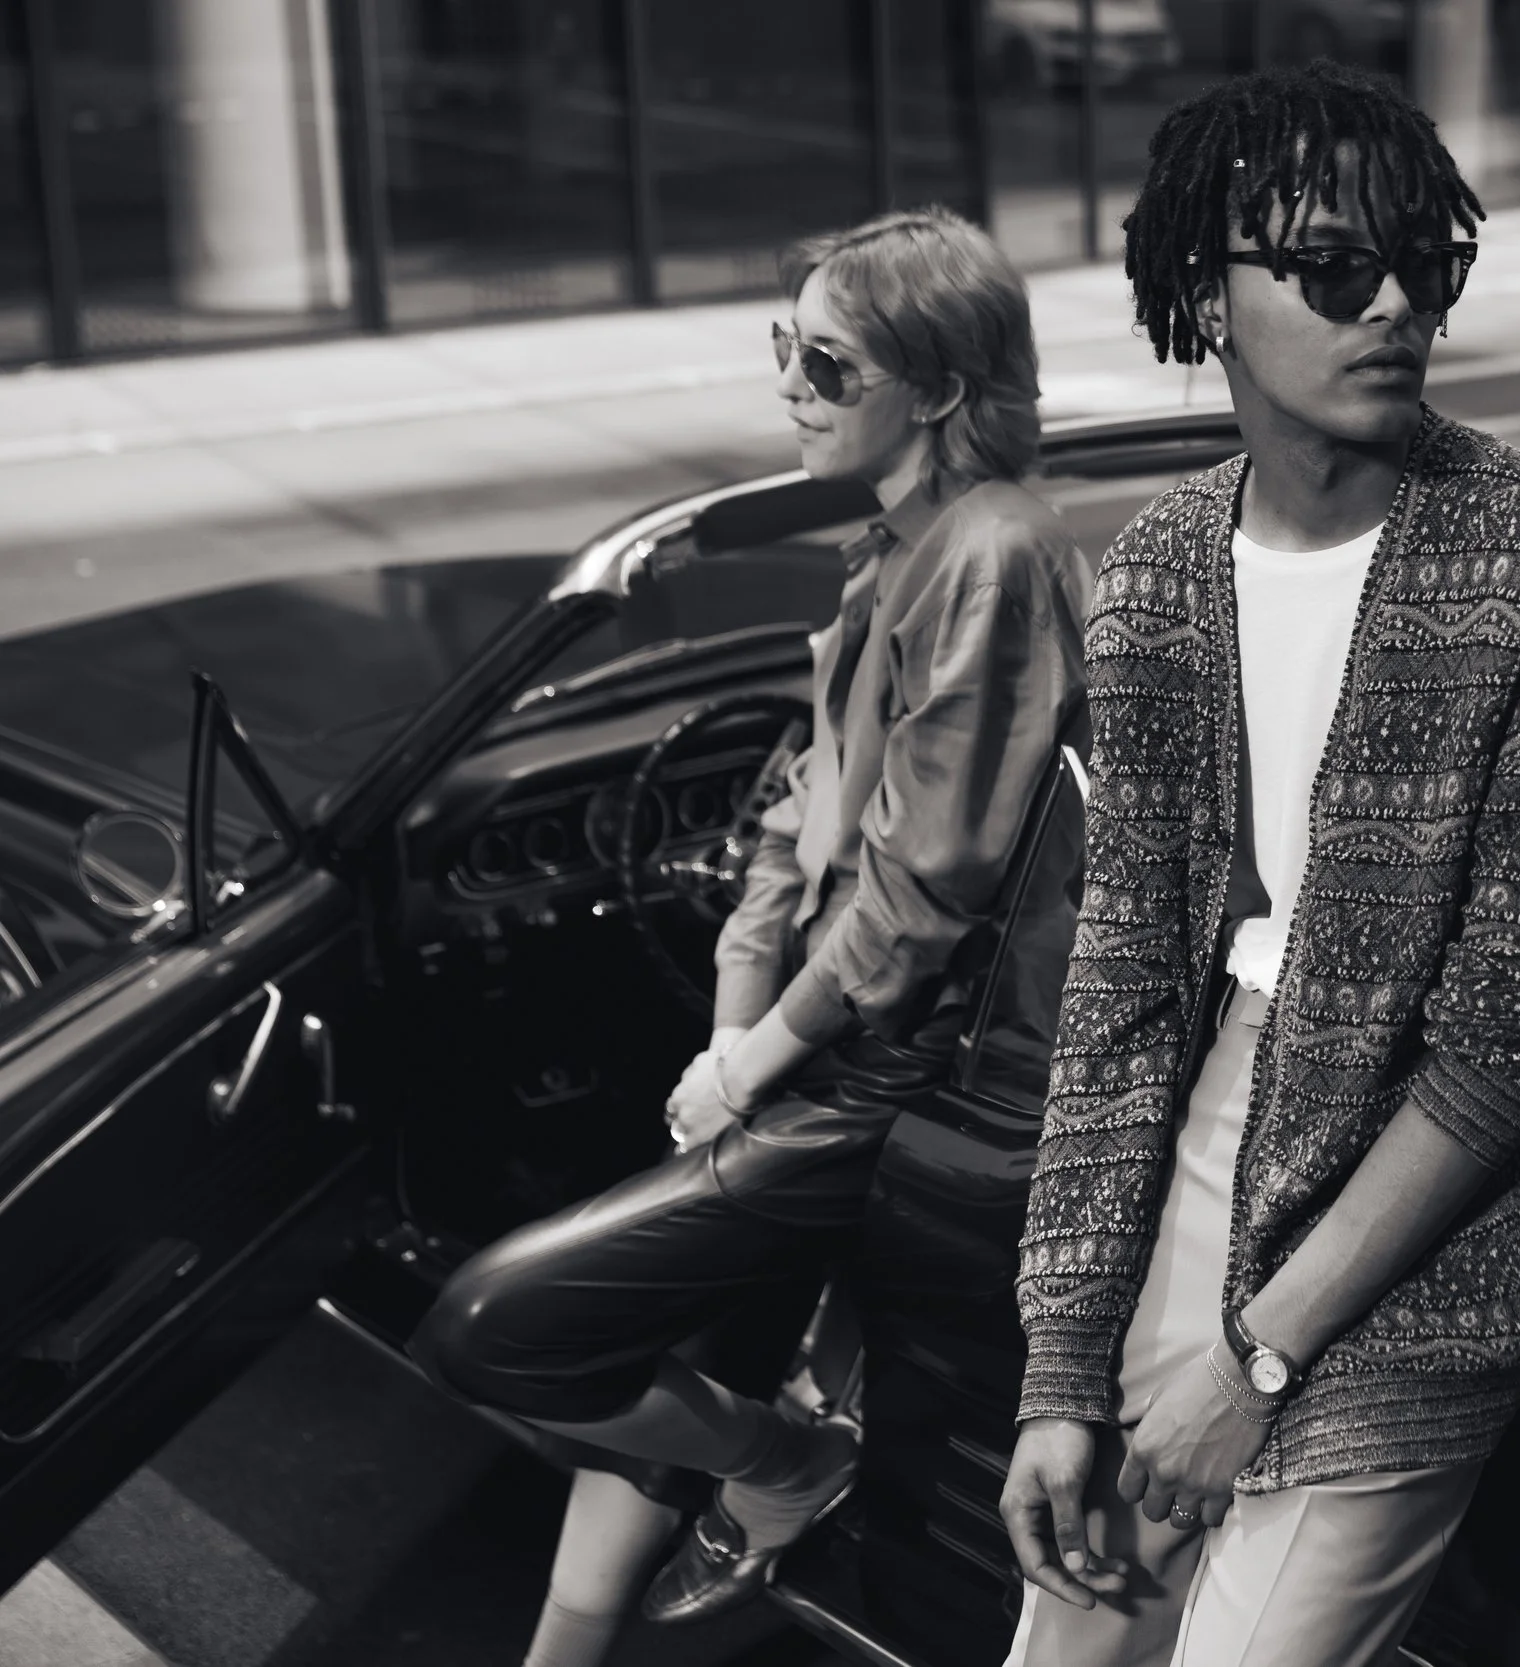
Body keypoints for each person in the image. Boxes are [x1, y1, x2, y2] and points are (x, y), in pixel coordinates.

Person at [1000, 59, 1520, 1667]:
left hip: (1453, 1216)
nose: (1393, 310)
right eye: (1331, 270)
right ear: (1210, 300)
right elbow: (1127, 987)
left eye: (1421, 266)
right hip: (1232, 1115)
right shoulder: (1159, 573)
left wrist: (1261, 1360)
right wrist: (1064, 1367)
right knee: (1064, 1636)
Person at [412, 206, 1092, 1665]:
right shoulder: (892, 548)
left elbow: (927, 888)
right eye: (788, 348)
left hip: (898, 1071)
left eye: (829, 363)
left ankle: (784, 1465)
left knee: (495, 1326)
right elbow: (799, 814)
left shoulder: (992, 553)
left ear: (944, 388)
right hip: (809, 1042)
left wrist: (758, 1056)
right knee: (676, 1333)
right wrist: (733, 1017)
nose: (789, 383)